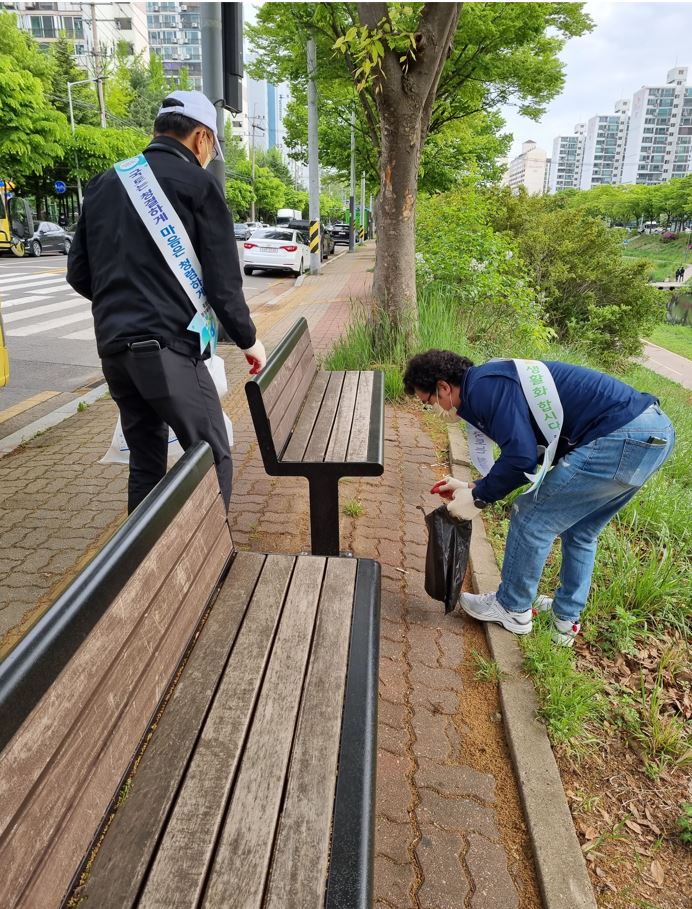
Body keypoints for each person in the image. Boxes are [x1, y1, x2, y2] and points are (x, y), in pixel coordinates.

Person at [67, 91, 265, 514]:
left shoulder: (104, 183)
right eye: (211, 143)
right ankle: (206, 563)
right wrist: (249, 340)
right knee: (212, 453)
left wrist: (126, 307)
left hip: (115, 352)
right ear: (200, 138)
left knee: (146, 461)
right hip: (169, 353)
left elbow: (78, 274)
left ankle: (140, 565)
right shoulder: (198, 184)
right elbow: (223, 280)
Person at [403, 351, 675, 646]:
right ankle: (565, 619)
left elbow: (521, 459)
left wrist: (478, 497)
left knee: (530, 516)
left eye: (430, 402)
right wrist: (472, 486)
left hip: (618, 435)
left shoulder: (482, 388)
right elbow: (531, 454)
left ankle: (512, 607)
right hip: (652, 433)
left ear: (443, 387)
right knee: (581, 531)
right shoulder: (490, 380)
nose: (436, 409)